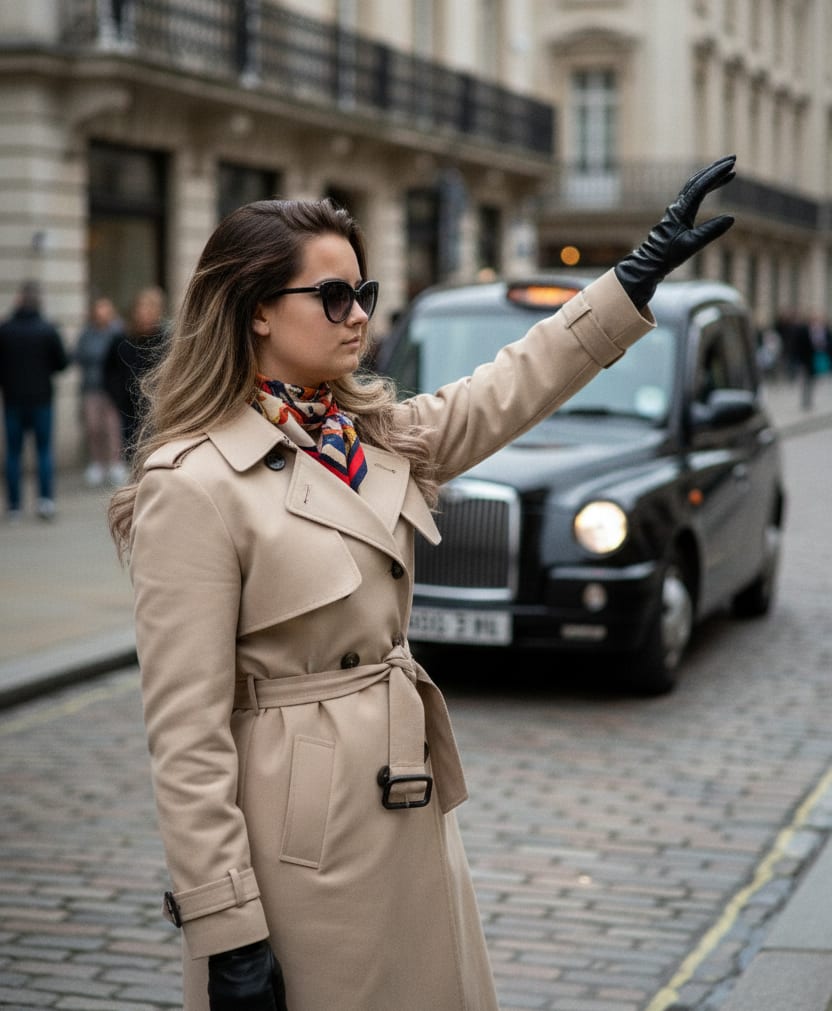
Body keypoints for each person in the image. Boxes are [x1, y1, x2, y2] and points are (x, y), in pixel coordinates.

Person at [109, 156, 736, 1011]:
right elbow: (186, 737)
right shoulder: (194, 482)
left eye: (363, 291)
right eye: (332, 297)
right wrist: (227, 931)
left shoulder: (367, 434)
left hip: (408, 794)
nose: (359, 314)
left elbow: (505, 389)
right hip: (300, 834)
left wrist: (631, 278)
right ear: (257, 311)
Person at [0, 280, 68, 520]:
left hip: (13, 400)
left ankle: (14, 506)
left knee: (13, 454)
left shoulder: (5, 329)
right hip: (42, 400)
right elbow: (62, 363)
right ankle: (45, 501)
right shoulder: (47, 329)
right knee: (43, 451)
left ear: (19, 300)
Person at [103, 285, 167, 458]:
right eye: (142, 308)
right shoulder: (122, 340)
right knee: (131, 454)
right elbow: (109, 370)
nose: (145, 313)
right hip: (127, 407)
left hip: (156, 408)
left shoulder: (164, 341)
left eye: (150, 308)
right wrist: (117, 396)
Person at [74, 295, 128, 486]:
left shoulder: (118, 332)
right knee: (93, 427)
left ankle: (115, 463)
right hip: (92, 387)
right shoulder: (87, 334)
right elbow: (78, 355)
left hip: (112, 389)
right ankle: (97, 463)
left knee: (112, 427)